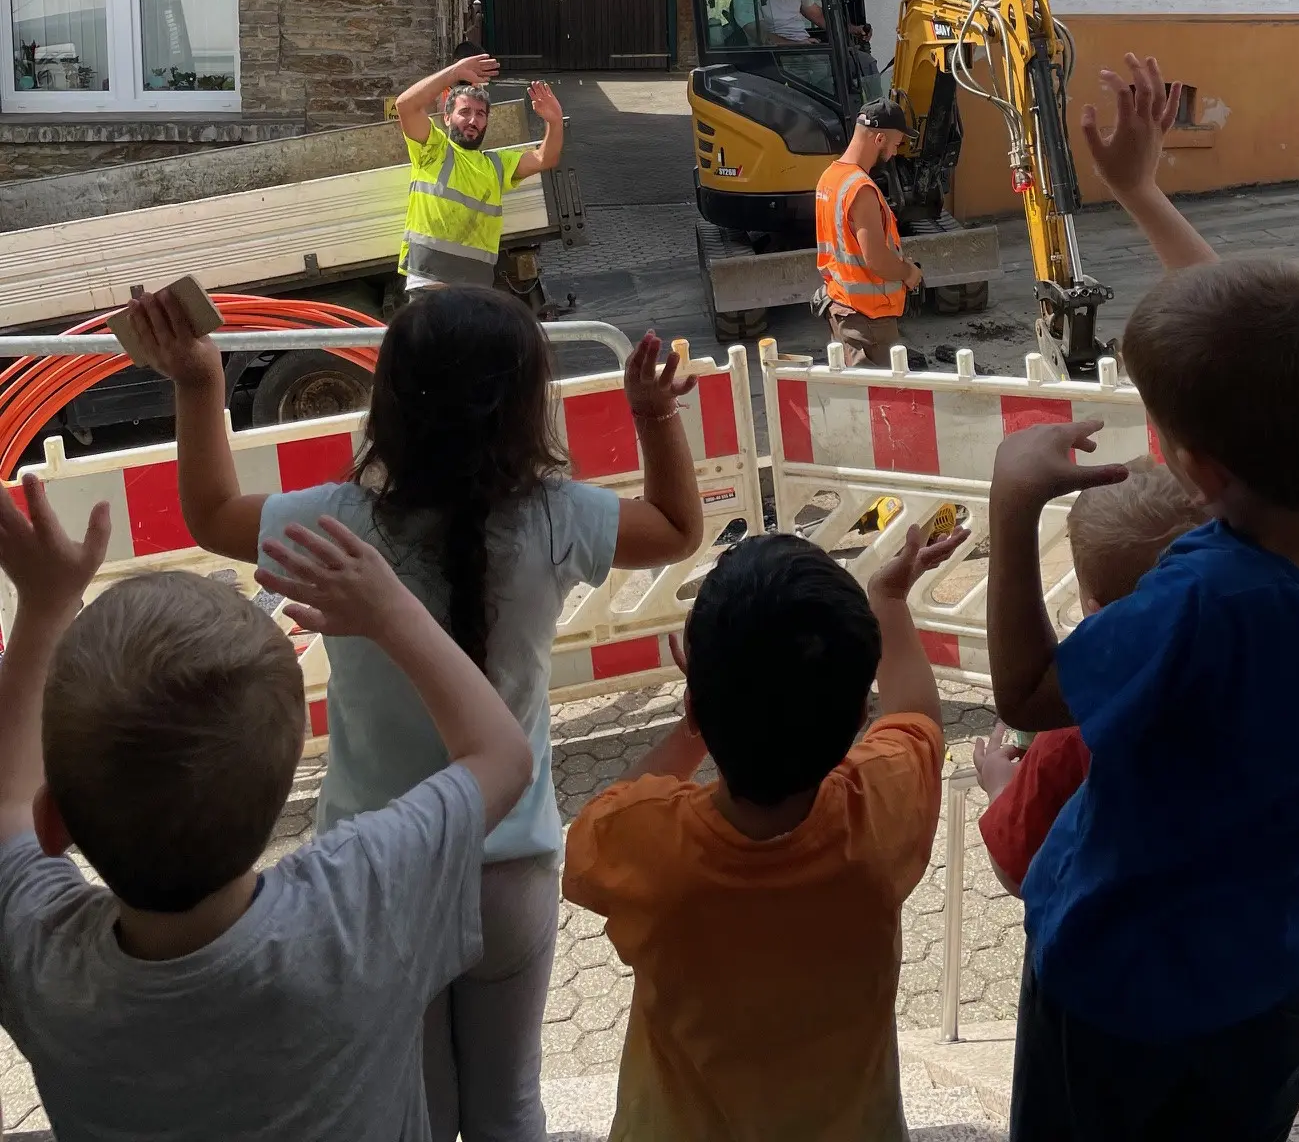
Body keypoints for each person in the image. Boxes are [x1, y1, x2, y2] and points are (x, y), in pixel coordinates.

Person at [126, 282, 705, 1142]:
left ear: (388, 401)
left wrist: (198, 384)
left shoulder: (334, 523)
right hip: (510, 868)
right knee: (510, 1107)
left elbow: (209, 513)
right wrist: (652, 414)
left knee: (419, 1114)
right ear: (522, 407)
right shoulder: (555, 517)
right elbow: (676, 528)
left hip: (380, 876)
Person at [985, 53, 1299, 1142]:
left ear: (1207, 476)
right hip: (1274, 977)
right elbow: (1268, 355)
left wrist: (1012, 507)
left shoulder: (1209, 598)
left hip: (1122, 998)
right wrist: (1144, 192)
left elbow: (1030, 694)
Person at [0, 470, 534, 1142]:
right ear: (287, 781)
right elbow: (504, 759)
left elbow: (6, 803)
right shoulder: (359, 902)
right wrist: (392, 612)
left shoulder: (42, 960)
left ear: (56, 825)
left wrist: (44, 606)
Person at [562, 518, 967, 1141]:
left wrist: (690, 727)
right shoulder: (878, 808)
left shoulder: (642, 842)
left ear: (698, 704)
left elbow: (603, 814)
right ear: (859, 714)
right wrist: (889, 601)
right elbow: (917, 717)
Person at [972, 457, 1206, 893]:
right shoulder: (1256, 678)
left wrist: (1000, 786)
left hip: (1106, 951)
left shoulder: (1073, 728)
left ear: (1092, 606)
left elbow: (1015, 868)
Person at [394, 51, 564, 293]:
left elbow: (545, 158)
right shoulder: (433, 151)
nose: (473, 120)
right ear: (447, 118)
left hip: (476, 291)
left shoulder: (496, 165)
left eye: (481, 114)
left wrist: (555, 121)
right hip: (429, 284)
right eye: (465, 112)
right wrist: (452, 73)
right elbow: (406, 105)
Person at [814, 99, 923, 368]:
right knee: (881, 404)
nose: (896, 153)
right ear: (879, 138)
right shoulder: (861, 190)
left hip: (841, 307)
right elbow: (876, 260)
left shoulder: (830, 177)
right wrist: (910, 273)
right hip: (868, 321)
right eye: (896, 144)